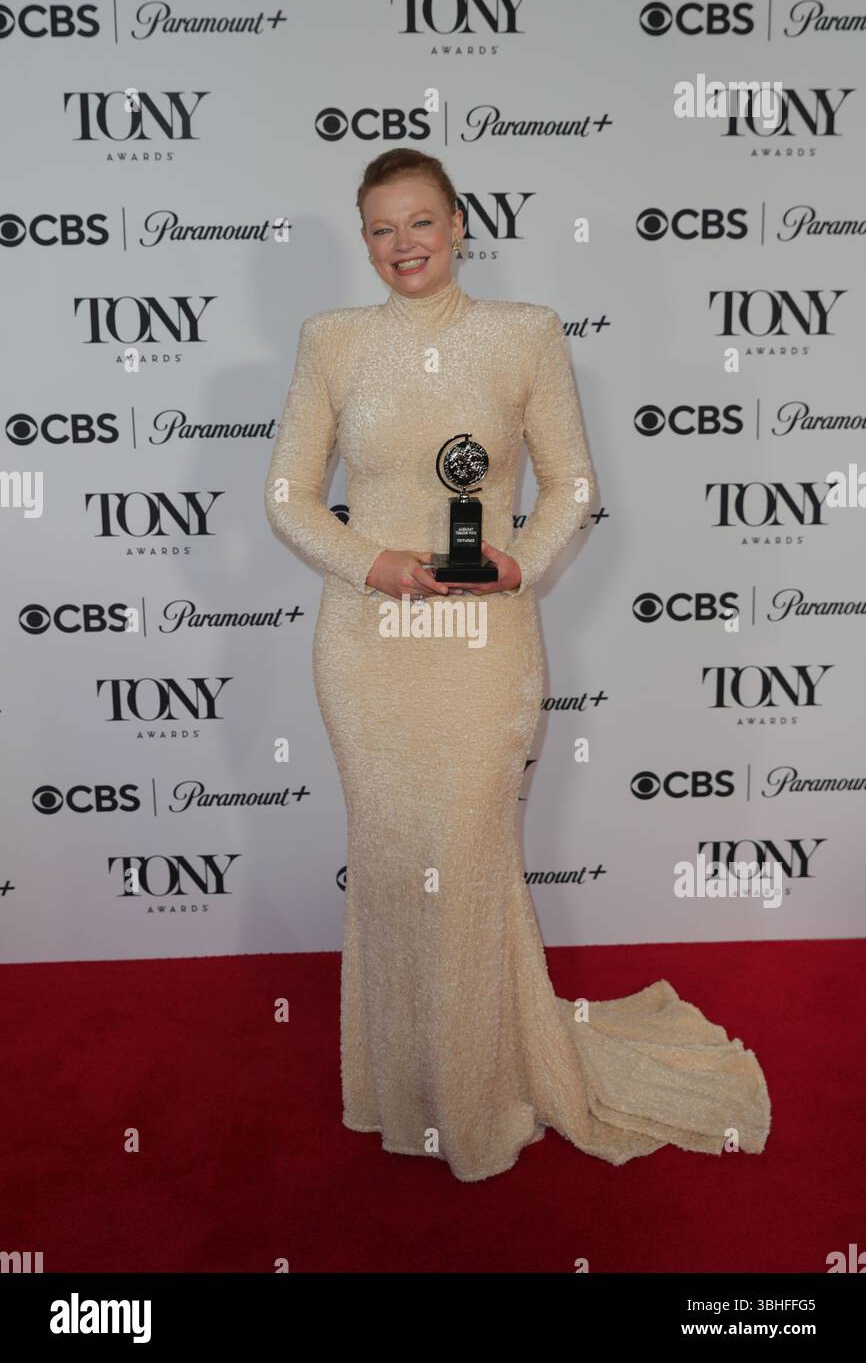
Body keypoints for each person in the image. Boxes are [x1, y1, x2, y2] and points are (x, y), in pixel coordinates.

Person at [264, 148, 771, 1182]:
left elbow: (571, 482)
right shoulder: (331, 342)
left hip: (482, 645)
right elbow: (286, 498)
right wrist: (375, 561)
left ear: (457, 224)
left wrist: (518, 561)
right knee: (395, 863)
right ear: (364, 239)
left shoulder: (523, 335)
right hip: (366, 649)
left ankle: (482, 1090)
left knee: (467, 855)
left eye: (419, 222)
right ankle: (400, 1087)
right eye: (378, 228)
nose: (401, 245)